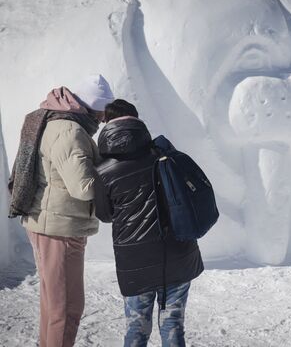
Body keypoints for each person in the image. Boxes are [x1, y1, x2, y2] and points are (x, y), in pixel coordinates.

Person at [9, 74, 114, 347]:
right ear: (94, 107)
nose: (104, 119)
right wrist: (113, 175)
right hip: (60, 228)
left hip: (48, 223)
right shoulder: (71, 131)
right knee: (67, 311)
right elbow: (84, 187)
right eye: (104, 111)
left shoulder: (55, 119)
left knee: (53, 307)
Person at [94, 99, 203, 347]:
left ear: (107, 125)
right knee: (173, 325)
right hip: (177, 254)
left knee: (136, 328)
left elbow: (105, 215)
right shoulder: (163, 154)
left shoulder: (102, 170)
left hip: (135, 262)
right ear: (136, 121)